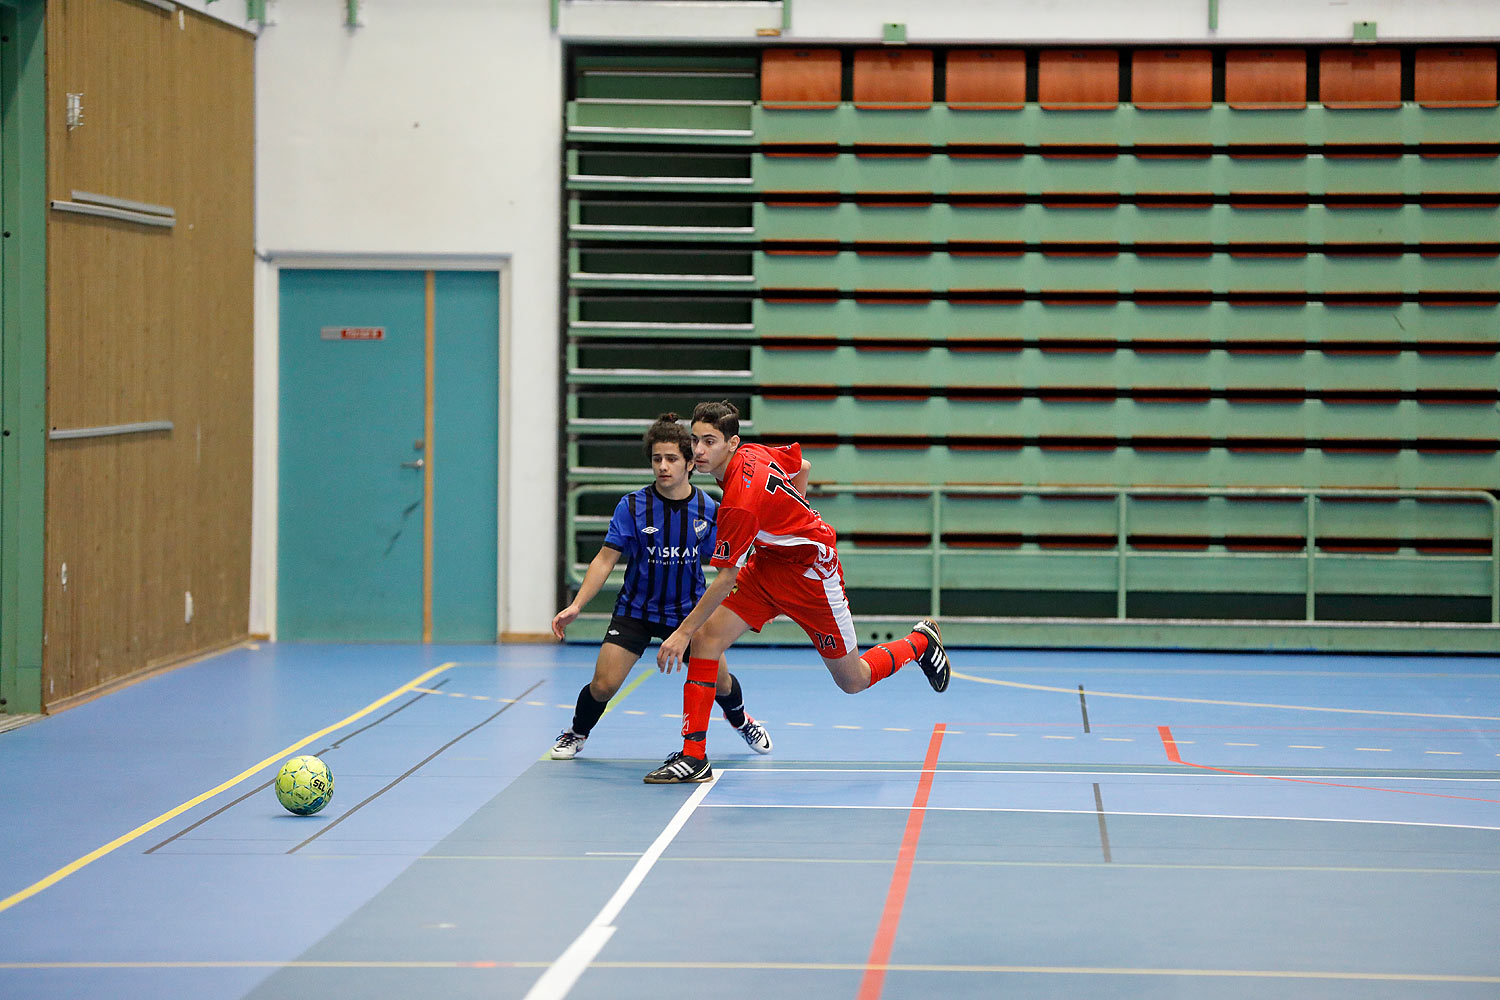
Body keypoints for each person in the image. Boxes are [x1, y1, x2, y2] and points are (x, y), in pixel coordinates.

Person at [644, 401, 949, 784]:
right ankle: (693, 755)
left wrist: (680, 632)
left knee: (852, 679)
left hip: (812, 577)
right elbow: (801, 467)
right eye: (696, 440)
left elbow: (722, 580)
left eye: (710, 441)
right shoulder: (753, 452)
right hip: (770, 566)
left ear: (732, 443)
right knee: (708, 642)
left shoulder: (739, 501)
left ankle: (919, 643)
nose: (700, 451)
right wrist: (790, 523)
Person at [550, 412, 772, 761]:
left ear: (688, 463)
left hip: (687, 613)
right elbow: (605, 559)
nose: (663, 467)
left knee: (722, 683)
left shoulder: (709, 509)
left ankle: (742, 720)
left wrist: (758, 603)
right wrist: (577, 604)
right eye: (657, 459)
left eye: (671, 459)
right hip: (635, 610)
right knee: (603, 685)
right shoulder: (633, 506)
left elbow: (732, 567)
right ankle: (576, 732)